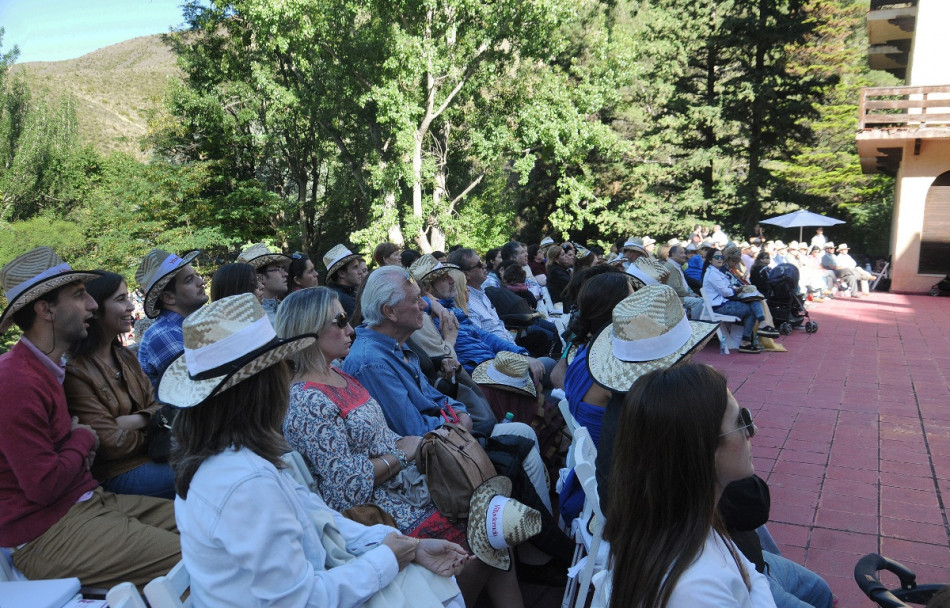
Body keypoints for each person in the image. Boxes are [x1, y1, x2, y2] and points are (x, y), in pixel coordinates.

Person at [160, 293, 471, 607]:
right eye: (279, 367)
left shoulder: (234, 460)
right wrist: (388, 559)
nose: (287, 376)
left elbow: (318, 514)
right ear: (263, 387)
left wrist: (404, 546)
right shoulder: (244, 482)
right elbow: (301, 600)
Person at [275, 287, 535, 608]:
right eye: (340, 320)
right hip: (379, 516)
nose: (351, 329)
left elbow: (386, 435)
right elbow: (346, 491)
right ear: (308, 330)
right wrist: (402, 453)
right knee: (487, 543)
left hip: (410, 490)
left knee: (497, 526)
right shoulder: (306, 400)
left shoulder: (338, 373)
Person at [0, 247, 180, 587]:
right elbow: (44, 485)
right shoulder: (15, 380)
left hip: (90, 503)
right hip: (47, 533)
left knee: (210, 525)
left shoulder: (47, 370)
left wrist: (77, 438)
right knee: (196, 554)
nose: (92, 306)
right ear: (45, 309)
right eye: (80, 295)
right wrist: (83, 438)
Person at [599, 364, 775, 607]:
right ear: (702, 449)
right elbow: (750, 575)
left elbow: (750, 574)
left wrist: (754, 586)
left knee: (816, 589)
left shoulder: (678, 518)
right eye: (740, 421)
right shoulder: (695, 590)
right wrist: (755, 587)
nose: (752, 430)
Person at [64, 271, 175, 499]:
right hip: (116, 474)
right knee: (206, 471)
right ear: (95, 308)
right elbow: (109, 443)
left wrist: (135, 420)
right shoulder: (76, 371)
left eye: (128, 297)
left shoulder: (124, 356)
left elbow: (158, 406)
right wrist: (152, 428)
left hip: (153, 456)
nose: (131, 307)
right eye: (120, 299)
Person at [562, 273, 634, 446]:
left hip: (595, 451)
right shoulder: (612, 367)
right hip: (613, 459)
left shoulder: (586, 349)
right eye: (634, 300)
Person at [136, 248, 207, 389]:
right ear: (168, 297)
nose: (201, 282)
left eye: (196, 275)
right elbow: (203, 386)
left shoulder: (187, 326)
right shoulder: (164, 335)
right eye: (189, 280)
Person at [701, 247, 779, 353]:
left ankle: (757, 329)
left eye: (721, 257)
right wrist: (738, 290)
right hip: (719, 306)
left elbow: (728, 288)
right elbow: (726, 292)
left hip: (724, 302)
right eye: (716, 257)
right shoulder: (712, 274)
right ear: (710, 260)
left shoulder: (717, 271)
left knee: (753, 298)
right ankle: (752, 334)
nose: (720, 259)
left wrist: (737, 289)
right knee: (753, 307)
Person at [237, 242, 291, 322]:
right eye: (278, 268)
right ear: (260, 277)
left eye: (283, 268)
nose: (285, 274)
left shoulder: (286, 309)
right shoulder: (253, 319)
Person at [323, 244, 367, 317]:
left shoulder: (334, 294)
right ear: (341, 274)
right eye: (355, 267)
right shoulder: (343, 300)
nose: (360, 272)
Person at [664, 245, 705, 319]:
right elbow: (675, 288)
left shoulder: (675, 266)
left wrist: (692, 293)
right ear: (673, 254)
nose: (684, 255)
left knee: (703, 300)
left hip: (681, 296)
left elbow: (684, 285)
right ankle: (695, 325)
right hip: (676, 298)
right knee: (698, 303)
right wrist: (690, 294)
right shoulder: (670, 267)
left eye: (684, 253)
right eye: (681, 253)